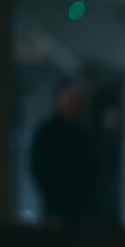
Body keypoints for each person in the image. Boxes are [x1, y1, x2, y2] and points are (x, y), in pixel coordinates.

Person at [30, 79, 97, 227]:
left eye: (75, 100)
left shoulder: (84, 134)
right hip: (55, 204)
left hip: (81, 208)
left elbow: (91, 170)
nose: (73, 104)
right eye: (69, 99)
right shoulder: (47, 133)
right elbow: (38, 167)